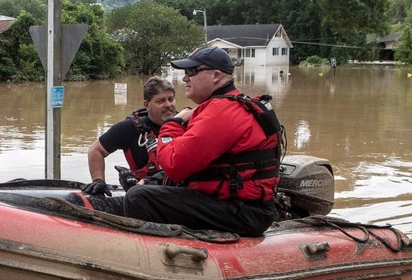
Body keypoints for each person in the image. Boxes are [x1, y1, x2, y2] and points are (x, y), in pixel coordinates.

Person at [123, 47, 281, 237]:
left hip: (244, 212)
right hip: (241, 206)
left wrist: (172, 124)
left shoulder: (222, 112)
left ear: (215, 75)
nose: (184, 78)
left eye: (191, 71)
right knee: (150, 186)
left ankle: (160, 259)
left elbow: (173, 163)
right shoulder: (229, 106)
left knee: (138, 198)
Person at [82, 76, 177, 196]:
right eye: (161, 101)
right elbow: (96, 150)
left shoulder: (188, 124)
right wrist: (98, 180)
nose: (168, 105)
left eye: (171, 99)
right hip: (145, 196)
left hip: (181, 194)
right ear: (146, 104)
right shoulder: (129, 128)